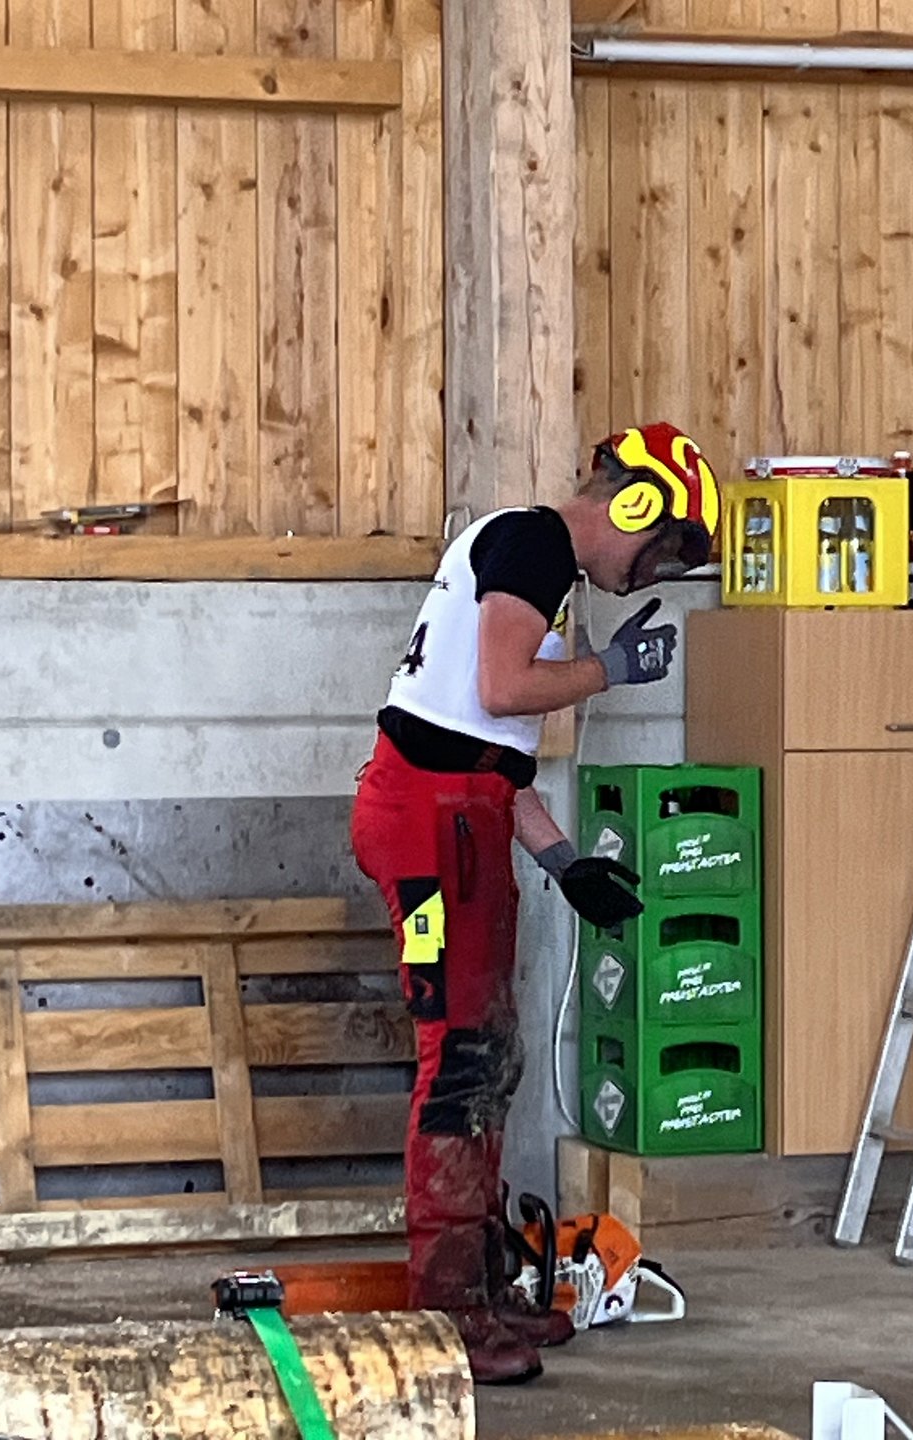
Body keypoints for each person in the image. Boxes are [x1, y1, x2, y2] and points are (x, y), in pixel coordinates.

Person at [350, 422, 720, 1385]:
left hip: (458, 813)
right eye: (668, 548)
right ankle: (446, 1311)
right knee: (461, 1059)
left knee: (491, 1052)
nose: (655, 574)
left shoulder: (535, 562)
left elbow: (488, 758)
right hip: (431, 826)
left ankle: (476, 1284)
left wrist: (566, 864)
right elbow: (505, 688)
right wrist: (612, 671)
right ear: (636, 504)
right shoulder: (535, 542)